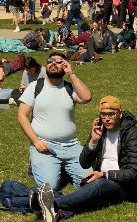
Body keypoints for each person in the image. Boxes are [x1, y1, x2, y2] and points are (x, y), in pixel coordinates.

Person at [36, 95, 137, 221]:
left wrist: (103, 175)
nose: (106, 119)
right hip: (102, 180)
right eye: (103, 115)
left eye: (111, 114)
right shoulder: (100, 130)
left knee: (98, 187)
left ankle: (53, 203)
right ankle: (57, 214)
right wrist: (93, 141)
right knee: (91, 195)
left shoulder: (131, 134)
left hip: (129, 187)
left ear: (119, 114)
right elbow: (84, 163)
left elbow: (133, 172)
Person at [19, 51, 93, 191]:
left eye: (58, 62)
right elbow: (22, 116)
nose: (53, 63)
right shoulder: (35, 87)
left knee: (89, 183)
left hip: (72, 146)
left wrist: (72, 73)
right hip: (45, 145)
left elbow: (86, 97)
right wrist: (35, 141)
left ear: (65, 67)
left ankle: (60, 167)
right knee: (50, 187)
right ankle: (44, 164)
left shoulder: (69, 88)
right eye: (50, 60)